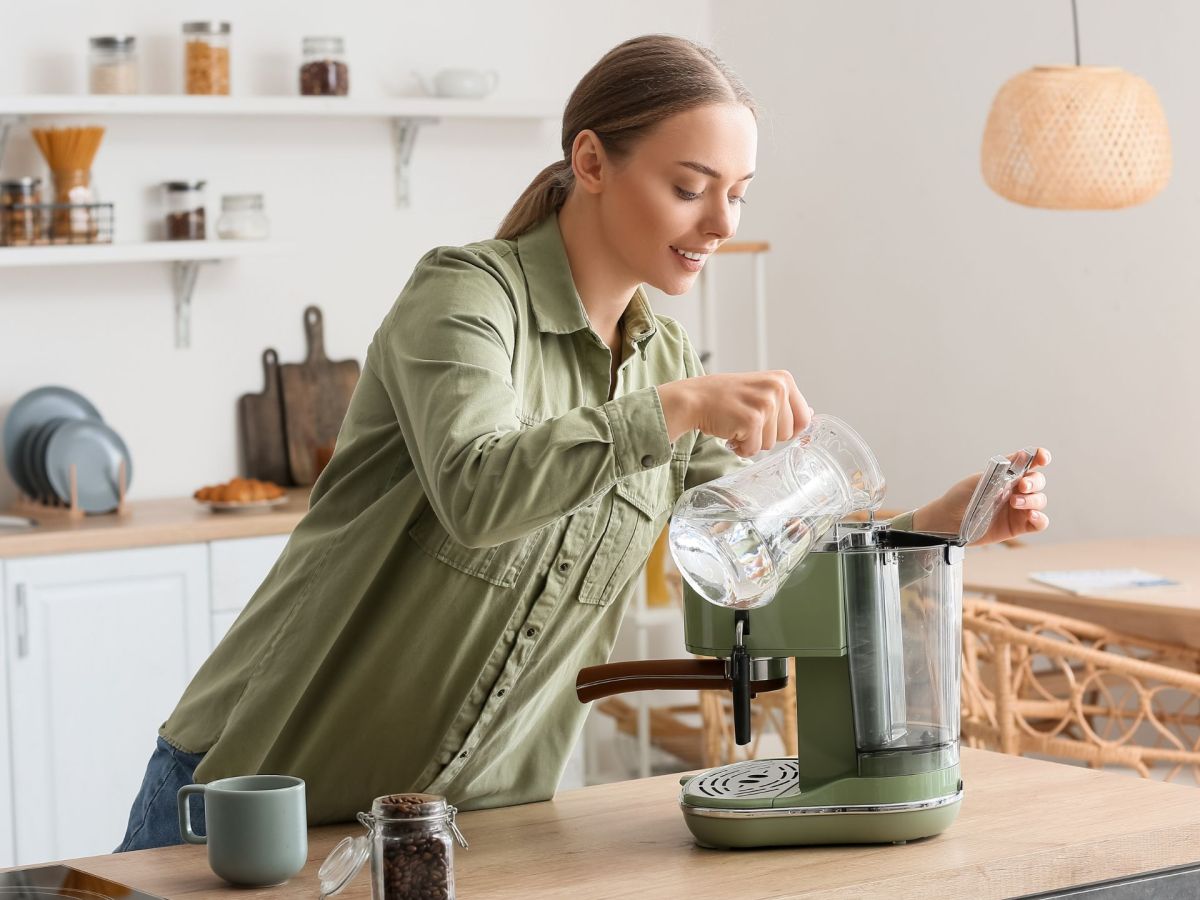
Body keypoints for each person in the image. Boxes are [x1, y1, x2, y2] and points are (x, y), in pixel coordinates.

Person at [115, 34, 1051, 852]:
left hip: (468, 828)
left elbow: (753, 562)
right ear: (593, 162)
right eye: (691, 188)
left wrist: (940, 530)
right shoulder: (466, 299)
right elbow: (477, 491)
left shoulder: (668, 356)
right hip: (259, 795)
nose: (722, 225)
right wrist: (675, 410)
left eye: (739, 194)